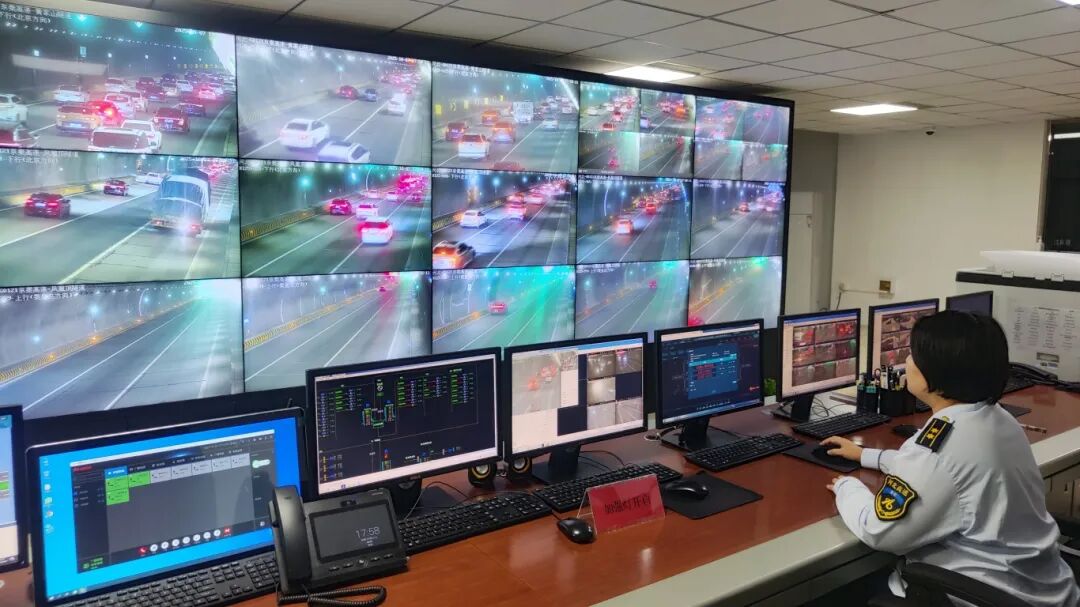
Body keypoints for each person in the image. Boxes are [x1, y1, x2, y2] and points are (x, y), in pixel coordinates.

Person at [822, 311, 1079, 606]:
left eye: (912, 355)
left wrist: (846, 488)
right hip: (1044, 590)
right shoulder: (998, 419)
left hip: (983, 596)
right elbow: (947, 472)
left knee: (837, 591)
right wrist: (870, 456)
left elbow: (878, 532)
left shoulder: (939, 450)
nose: (907, 361)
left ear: (936, 375)